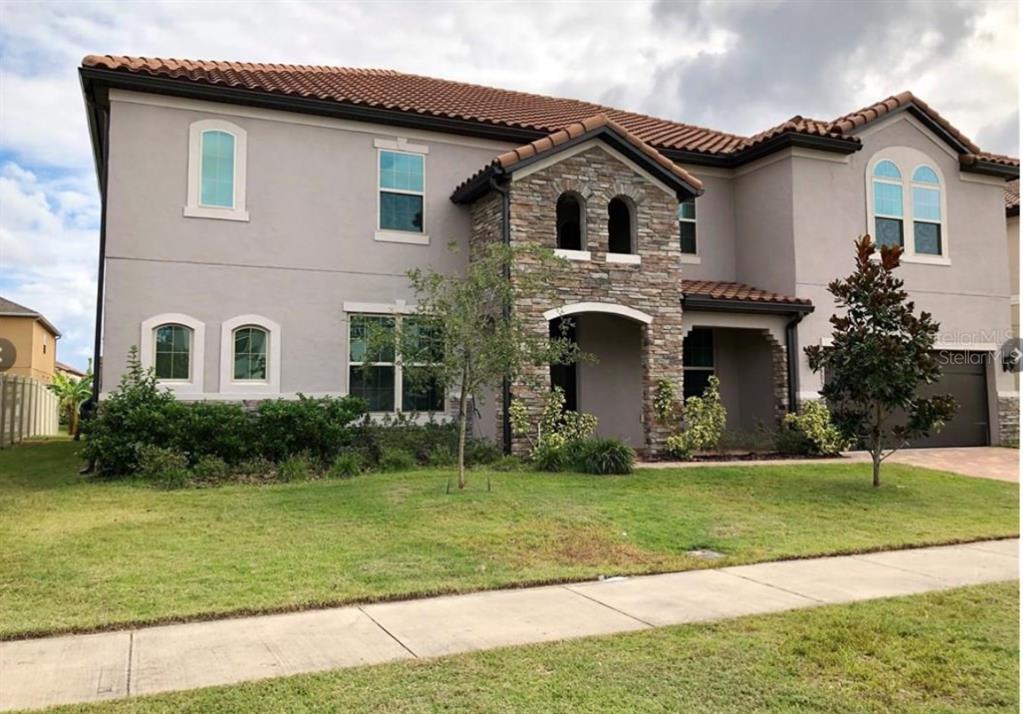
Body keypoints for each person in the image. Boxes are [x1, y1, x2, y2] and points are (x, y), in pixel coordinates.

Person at [77, 395, 97, 474]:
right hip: (84, 409)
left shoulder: (94, 396)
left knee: (83, 425)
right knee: (86, 426)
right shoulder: (94, 397)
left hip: (85, 409)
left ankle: (77, 436)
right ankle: (91, 467)